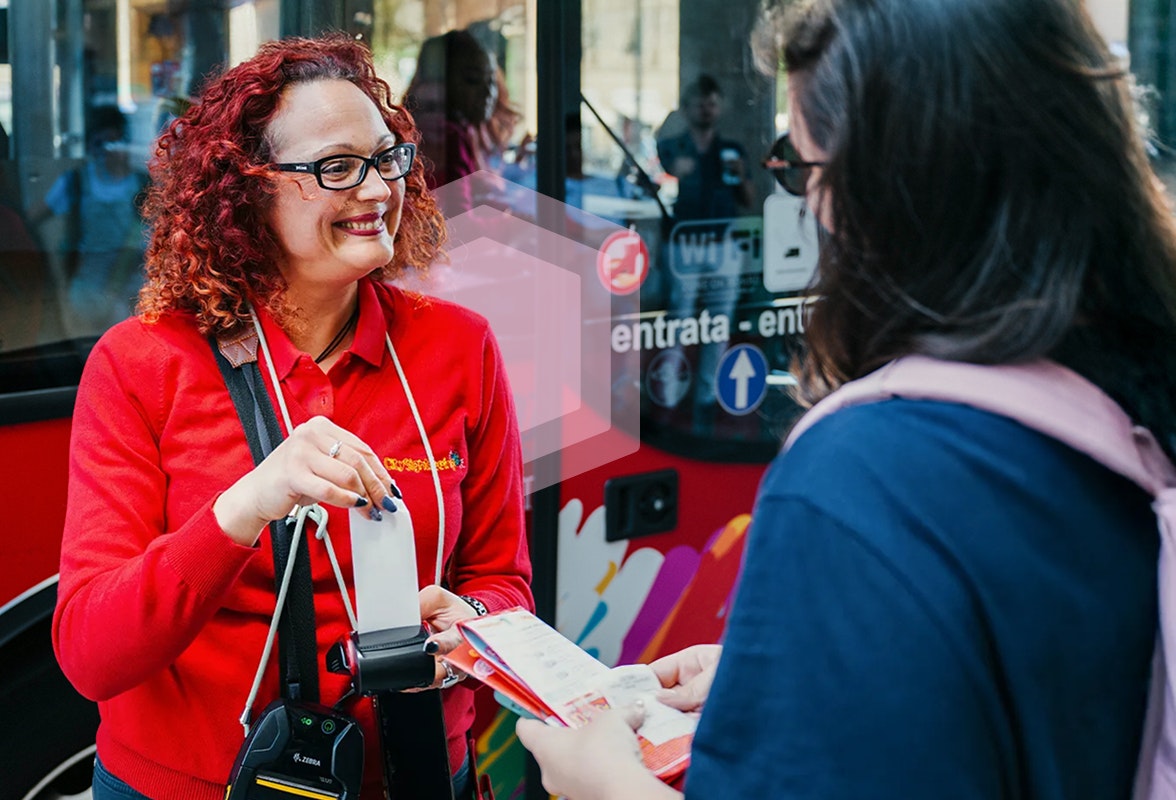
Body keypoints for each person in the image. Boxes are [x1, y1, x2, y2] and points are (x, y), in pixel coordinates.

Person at [515, 0, 1176, 797]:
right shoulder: (1127, 390)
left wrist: (602, 783)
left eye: (801, 168)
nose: (804, 205)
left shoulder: (865, 476)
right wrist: (799, 673)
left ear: (887, 188)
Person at [52, 34, 533, 800]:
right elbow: (90, 654)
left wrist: (468, 624)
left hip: (411, 775)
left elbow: (502, 581)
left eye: (386, 158)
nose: (376, 190)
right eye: (336, 167)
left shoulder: (459, 346)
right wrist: (245, 506)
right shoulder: (141, 362)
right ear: (246, 191)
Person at [39, 104, 149, 336]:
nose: (106, 152)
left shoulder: (142, 184)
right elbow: (34, 217)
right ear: (89, 146)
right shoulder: (75, 182)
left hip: (134, 288)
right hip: (87, 289)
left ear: (124, 144)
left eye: (113, 143)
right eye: (99, 144)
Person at [403, 29, 513, 189]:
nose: (487, 92)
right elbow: (457, 203)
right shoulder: (448, 136)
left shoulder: (470, 130)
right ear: (442, 83)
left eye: (491, 81)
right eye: (473, 80)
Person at [655, 74, 754, 221]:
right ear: (685, 109)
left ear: (719, 108)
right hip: (685, 228)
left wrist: (741, 176)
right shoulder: (674, 148)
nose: (706, 110)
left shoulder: (732, 151)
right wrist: (675, 170)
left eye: (712, 104)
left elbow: (748, 201)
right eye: (700, 105)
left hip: (725, 229)